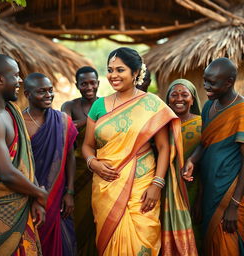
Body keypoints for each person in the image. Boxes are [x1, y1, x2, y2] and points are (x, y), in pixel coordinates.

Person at [82, 47, 198, 256]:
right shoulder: (99, 105)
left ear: (135, 73)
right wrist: (93, 163)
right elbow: (87, 145)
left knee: (142, 239)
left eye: (120, 70)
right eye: (110, 70)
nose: (113, 75)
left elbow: (164, 148)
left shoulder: (151, 104)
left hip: (142, 186)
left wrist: (157, 184)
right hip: (105, 186)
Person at [183, 58, 244, 255]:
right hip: (210, 189)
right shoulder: (209, 107)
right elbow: (205, 144)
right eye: (205, 80)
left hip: (231, 193)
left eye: (212, 82)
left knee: (229, 245)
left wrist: (234, 205)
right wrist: (192, 159)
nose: (206, 86)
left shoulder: (242, 111)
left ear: (229, 82)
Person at [0, 54, 47, 255]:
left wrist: (33, 196)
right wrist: (40, 194)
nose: (20, 81)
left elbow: (25, 161)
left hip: (22, 205)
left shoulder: (11, 110)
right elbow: (7, 173)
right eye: (15, 75)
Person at [23, 73, 78, 256]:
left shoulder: (62, 121)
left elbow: (70, 156)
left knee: (64, 246)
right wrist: (33, 196)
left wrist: (69, 191)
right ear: (27, 94)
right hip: (28, 196)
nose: (48, 95)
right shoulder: (19, 124)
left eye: (50, 90)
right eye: (41, 91)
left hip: (58, 197)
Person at [61, 66, 99, 256]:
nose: (89, 87)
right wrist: (93, 118)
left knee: (97, 219)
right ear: (77, 85)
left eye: (92, 82)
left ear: (98, 83)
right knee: (77, 218)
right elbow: (67, 128)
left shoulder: (107, 104)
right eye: (84, 83)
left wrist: (83, 121)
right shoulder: (70, 106)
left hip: (100, 171)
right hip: (75, 170)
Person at [166, 79, 202, 252]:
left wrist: (201, 198)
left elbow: (206, 162)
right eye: (174, 95)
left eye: (184, 94)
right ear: (167, 99)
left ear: (193, 99)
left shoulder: (201, 125)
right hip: (166, 192)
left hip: (195, 189)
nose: (179, 99)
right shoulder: (161, 126)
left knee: (195, 233)